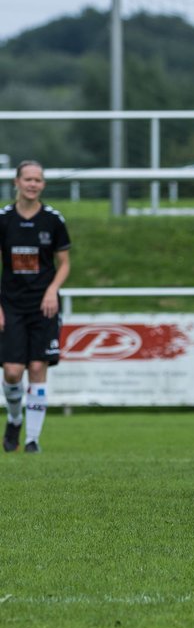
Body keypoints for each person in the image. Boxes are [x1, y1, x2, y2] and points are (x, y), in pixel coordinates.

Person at [1, 160, 71, 454]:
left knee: (38, 366)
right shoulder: (3, 219)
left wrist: (53, 290)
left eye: (38, 180)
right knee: (14, 373)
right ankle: (15, 419)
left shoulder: (53, 220)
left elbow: (65, 263)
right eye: (28, 179)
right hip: (12, 305)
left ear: (43, 185)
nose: (33, 184)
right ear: (16, 182)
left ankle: (32, 440)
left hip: (43, 306)